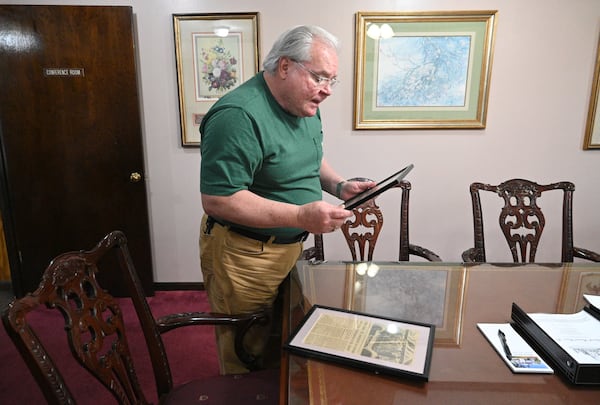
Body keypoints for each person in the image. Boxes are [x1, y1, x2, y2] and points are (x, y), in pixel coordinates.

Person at [199, 25, 375, 374]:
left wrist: (339, 186)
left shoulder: (304, 103)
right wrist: (300, 216)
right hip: (245, 253)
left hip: (289, 248)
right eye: (320, 77)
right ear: (284, 67)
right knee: (247, 352)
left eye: (332, 81)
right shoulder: (237, 116)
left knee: (281, 337)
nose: (326, 91)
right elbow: (219, 200)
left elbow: (309, 158)